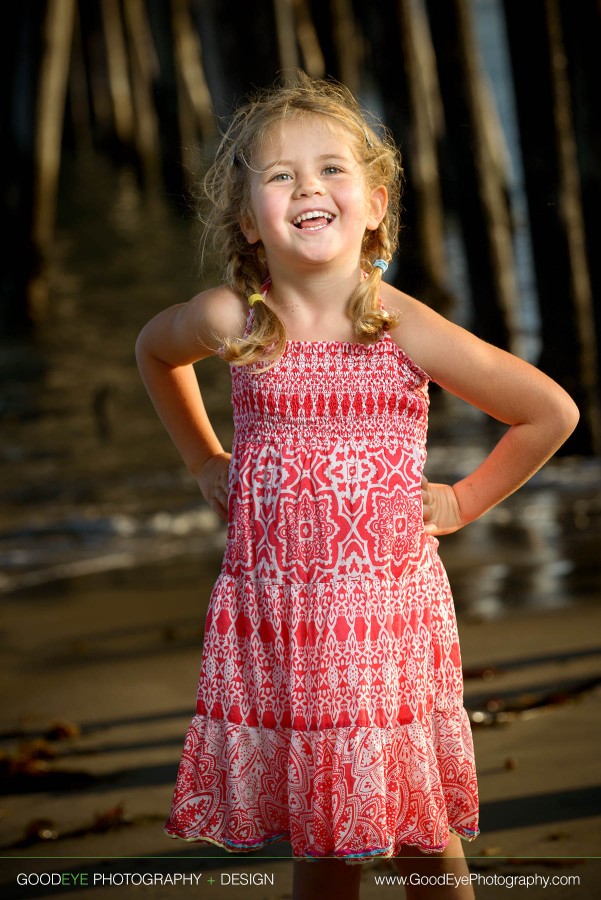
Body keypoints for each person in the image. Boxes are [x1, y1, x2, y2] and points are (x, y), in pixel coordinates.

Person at [135, 72, 579, 899]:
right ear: (246, 220)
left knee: (419, 833)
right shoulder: (235, 319)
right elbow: (154, 353)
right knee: (321, 837)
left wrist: (462, 499)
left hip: (383, 621)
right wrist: (203, 460)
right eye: (280, 175)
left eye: (330, 169)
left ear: (374, 203)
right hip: (282, 619)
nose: (308, 187)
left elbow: (546, 412)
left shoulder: (398, 324)